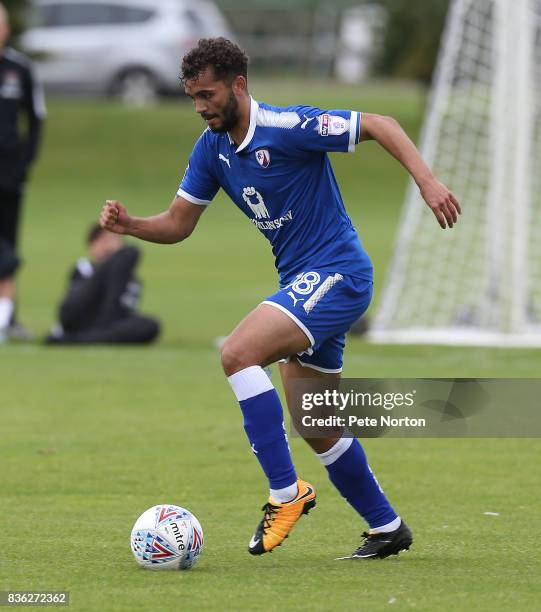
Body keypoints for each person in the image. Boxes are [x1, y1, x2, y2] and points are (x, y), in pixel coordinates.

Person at [100, 38, 461, 559]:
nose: (200, 107)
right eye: (192, 98)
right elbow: (179, 224)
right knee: (315, 422)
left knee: (238, 353)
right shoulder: (212, 149)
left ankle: (285, 494)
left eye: (207, 95)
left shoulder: (290, 127)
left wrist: (427, 183)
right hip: (303, 282)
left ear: (238, 85)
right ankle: (388, 527)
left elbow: (380, 123)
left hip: (339, 273)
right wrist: (130, 224)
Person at [0, 2, 46, 342]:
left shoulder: (20, 69)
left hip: (9, 176)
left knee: (9, 246)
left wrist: (25, 162)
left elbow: (36, 118)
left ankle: (8, 315)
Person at [46, 224, 160, 345]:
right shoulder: (84, 268)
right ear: (91, 246)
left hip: (106, 324)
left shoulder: (132, 281)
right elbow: (75, 305)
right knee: (131, 252)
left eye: (113, 240)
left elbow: (124, 313)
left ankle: (76, 339)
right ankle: (97, 334)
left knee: (150, 326)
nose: (108, 246)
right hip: (80, 318)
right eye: (103, 241)